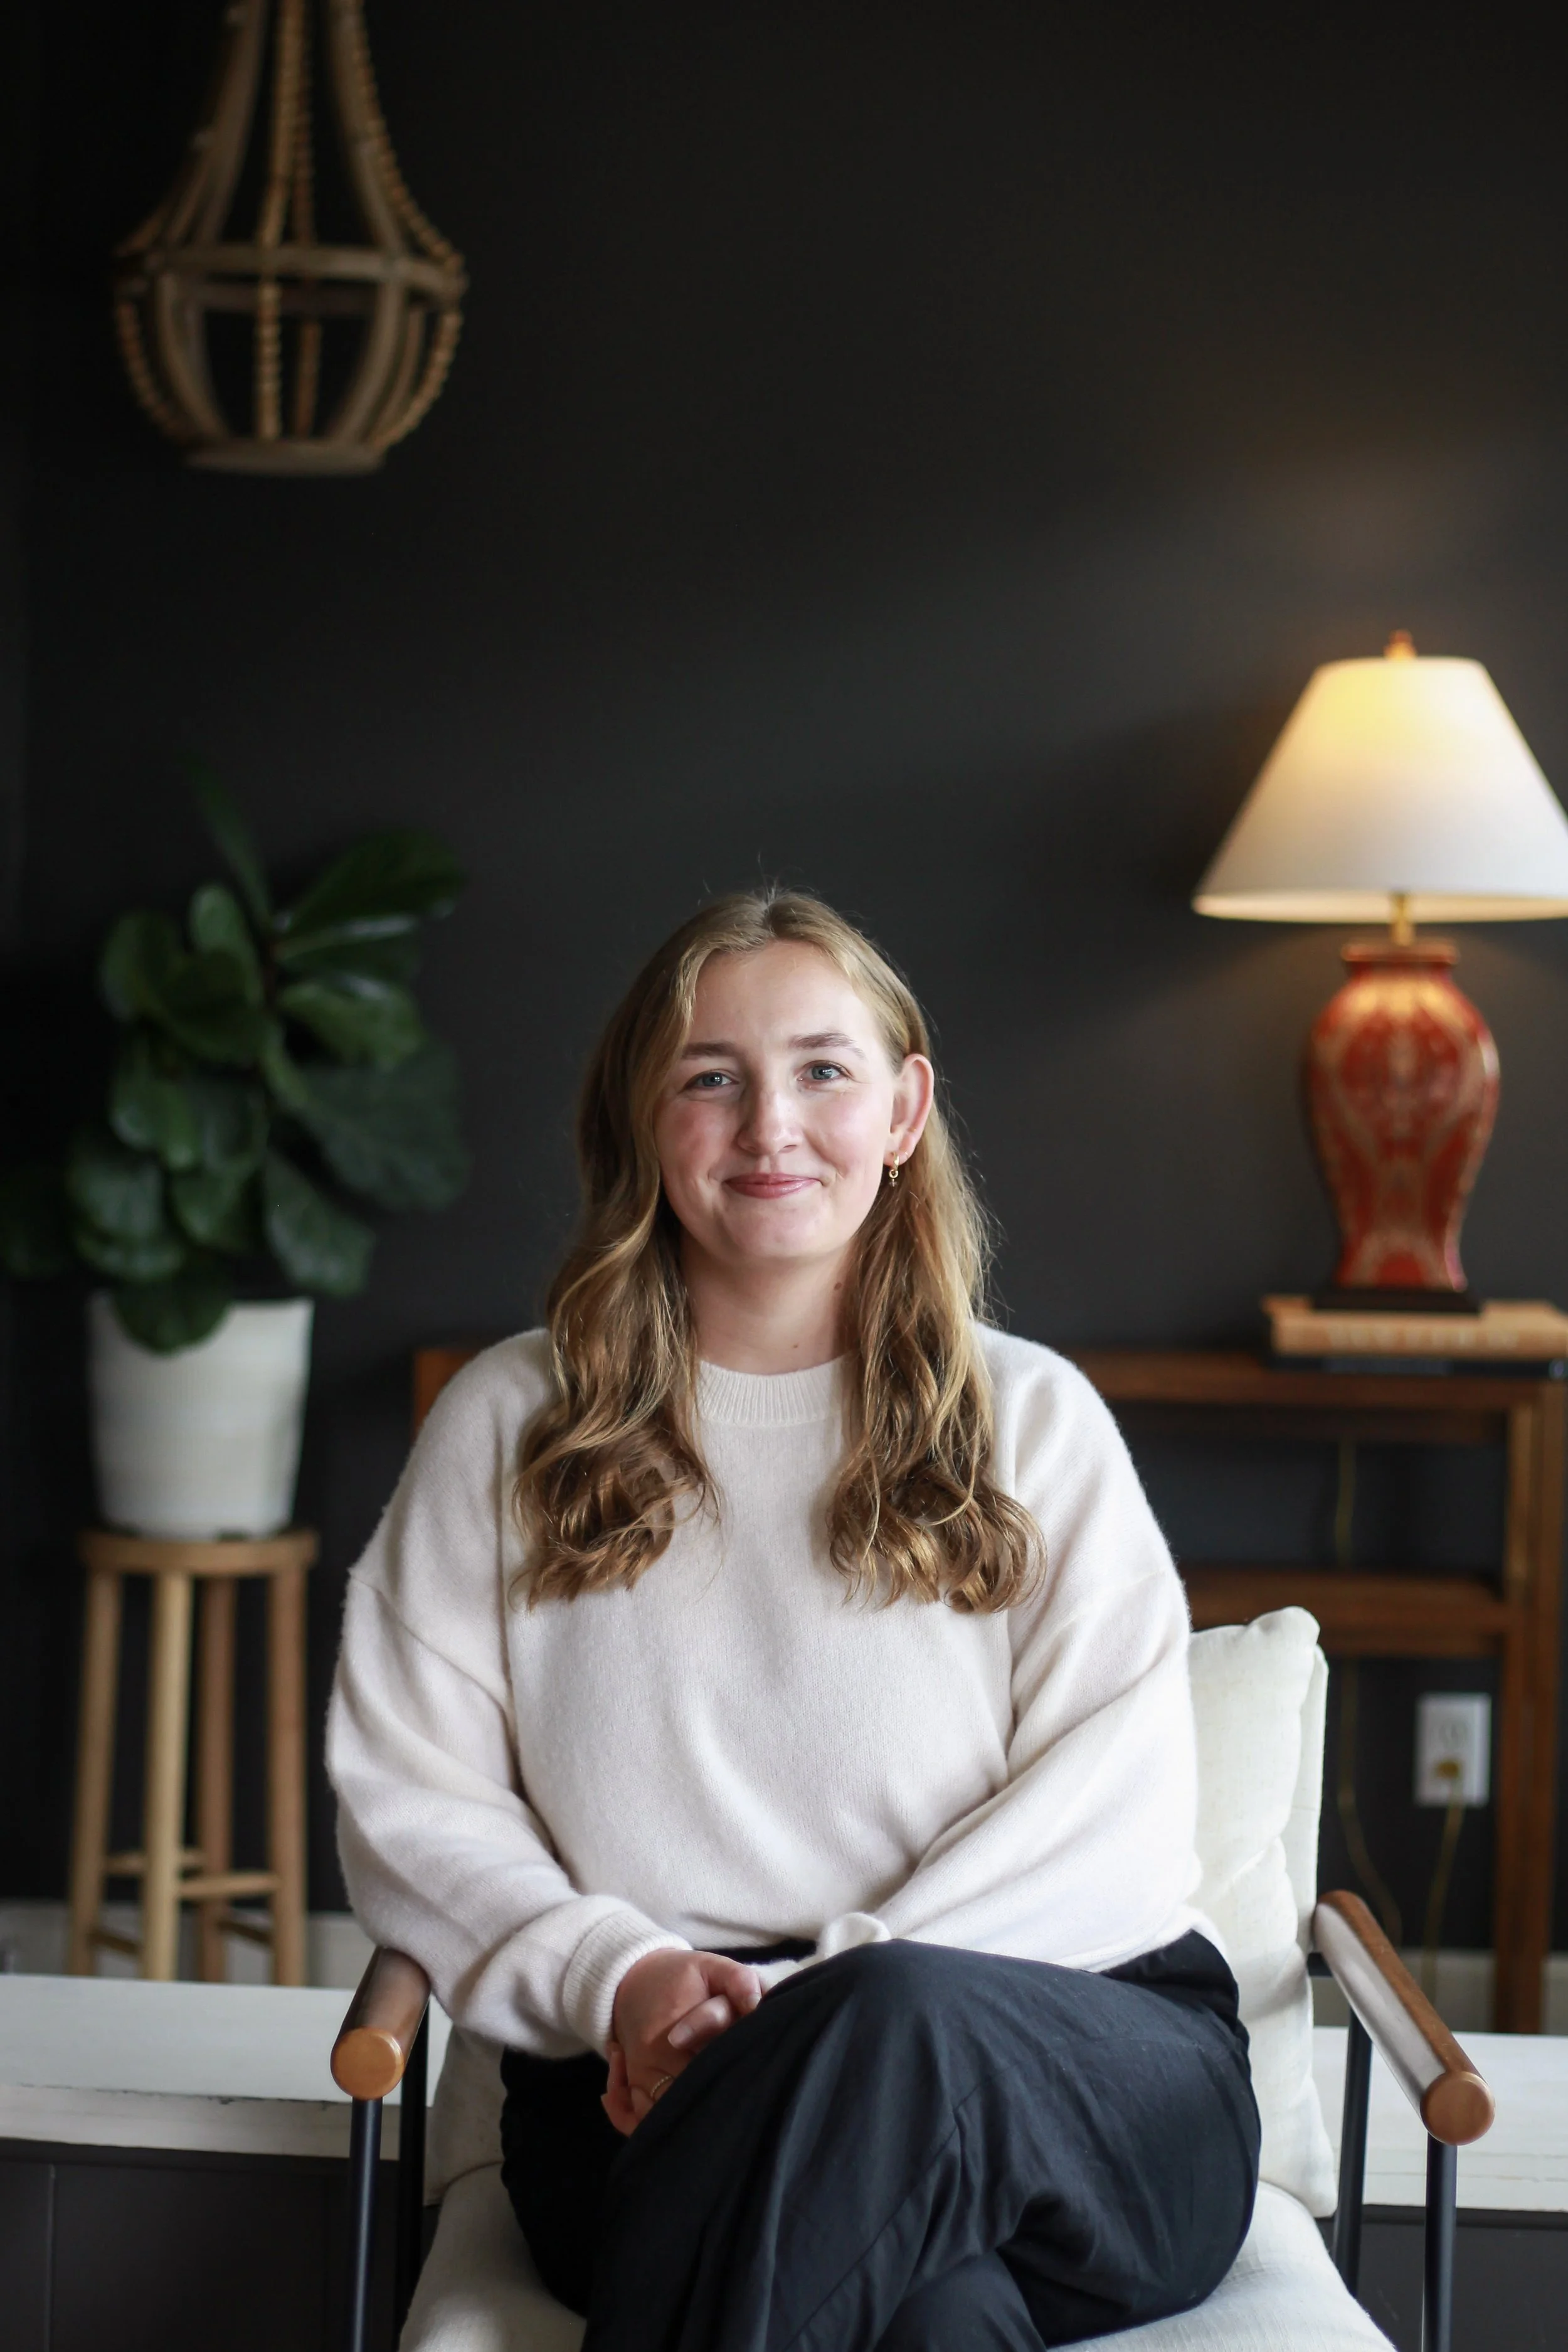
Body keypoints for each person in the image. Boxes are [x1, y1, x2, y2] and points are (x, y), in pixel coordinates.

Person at [327, 889, 1259, 2352]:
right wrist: (616, 1975)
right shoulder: (511, 1425)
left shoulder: (1035, 1423)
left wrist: (806, 2003)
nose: (770, 1124)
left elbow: (1118, 1827)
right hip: (643, 2073)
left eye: (822, 1069)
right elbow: (408, 1797)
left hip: (1075, 2059)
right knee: (934, 2311)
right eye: (710, 1077)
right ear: (640, 1123)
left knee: (892, 2021)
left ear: (903, 1108)